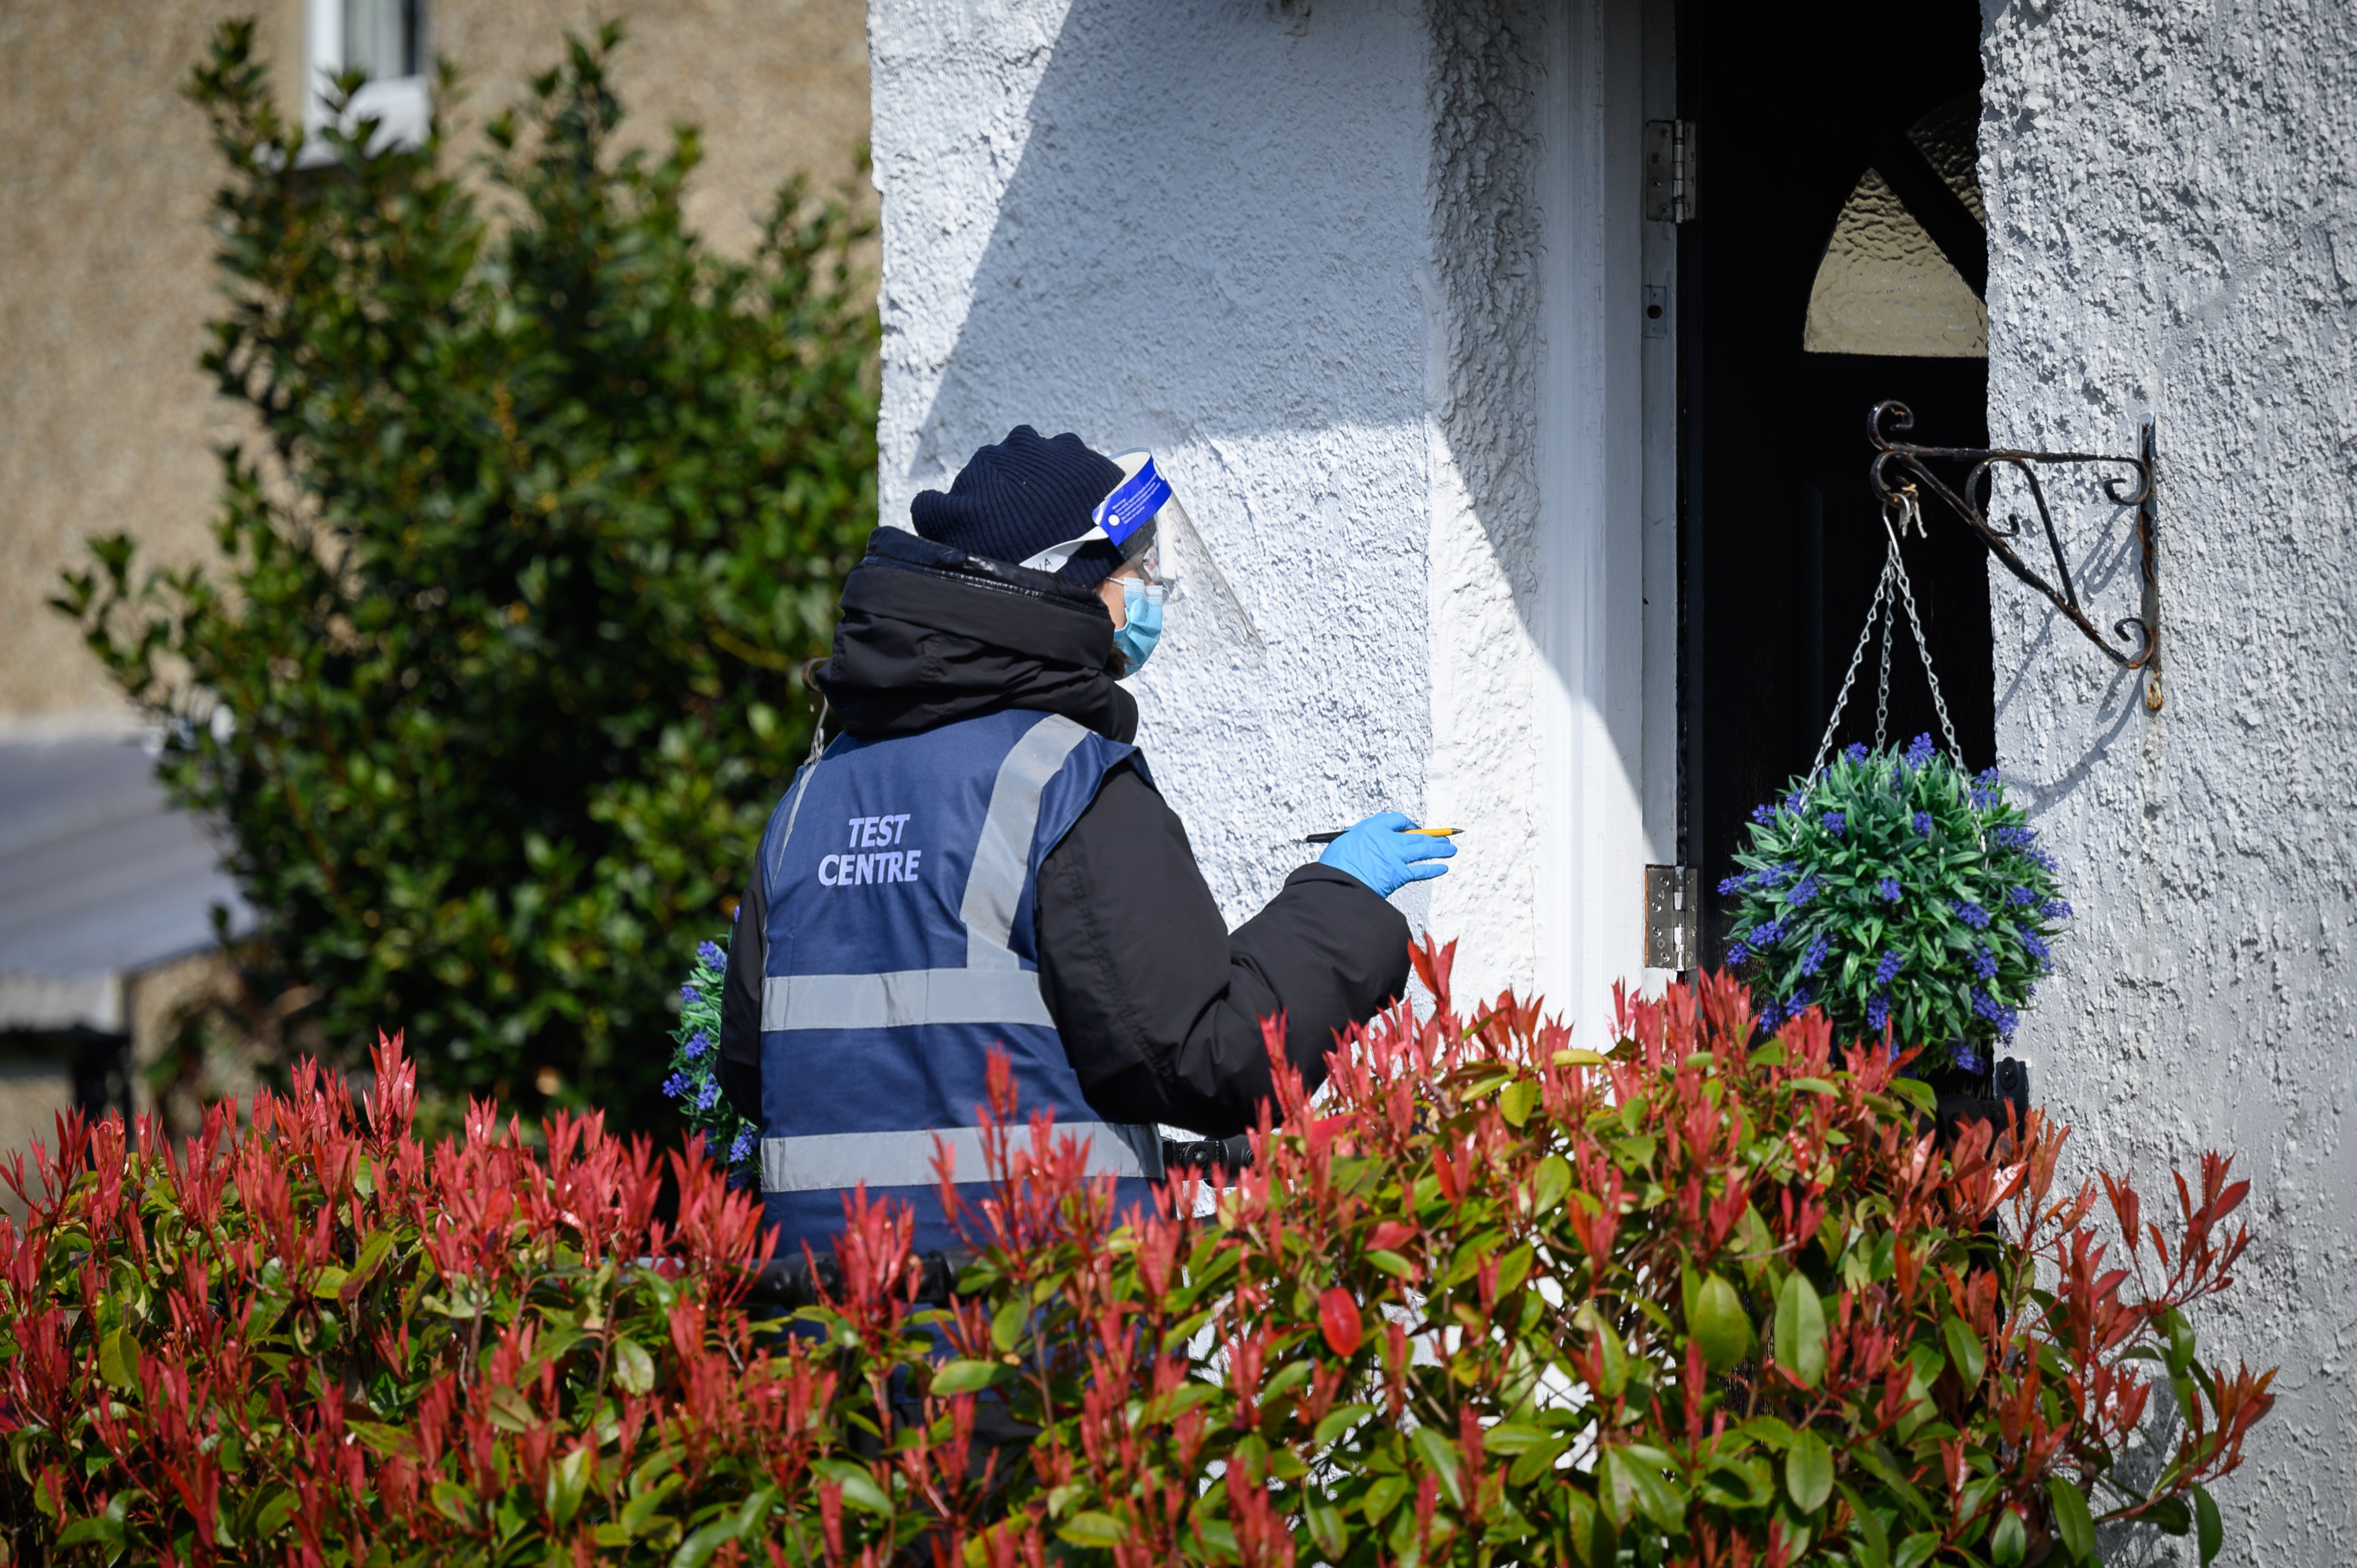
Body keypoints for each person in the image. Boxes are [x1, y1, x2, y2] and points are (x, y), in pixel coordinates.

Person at [715, 427, 1453, 1261]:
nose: (1152, 595)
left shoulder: (813, 793)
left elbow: (753, 1067)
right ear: (1070, 587)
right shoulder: (1062, 778)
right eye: (1137, 572)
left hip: (829, 1331)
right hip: (1025, 1334)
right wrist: (1340, 901)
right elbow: (1211, 1056)